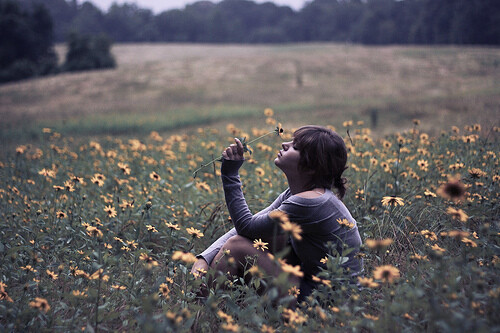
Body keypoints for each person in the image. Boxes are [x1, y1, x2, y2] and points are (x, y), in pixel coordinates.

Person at [191, 125, 363, 303]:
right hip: (314, 285)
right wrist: (203, 259)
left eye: (295, 147)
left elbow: (245, 227)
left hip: (328, 302)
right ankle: (219, 298)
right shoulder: (297, 194)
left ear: (312, 167)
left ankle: (207, 306)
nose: (284, 144)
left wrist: (230, 174)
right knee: (271, 237)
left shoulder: (309, 202)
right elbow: (250, 228)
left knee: (237, 247)